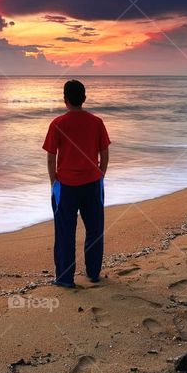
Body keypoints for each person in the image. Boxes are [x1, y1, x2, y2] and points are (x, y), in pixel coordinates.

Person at [42, 80, 110, 287]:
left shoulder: (58, 124)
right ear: (84, 99)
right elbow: (104, 154)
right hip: (92, 184)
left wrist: (54, 182)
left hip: (67, 185)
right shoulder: (96, 122)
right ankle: (93, 273)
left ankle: (64, 278)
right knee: (95, 229)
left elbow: (51, 158)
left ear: (65, 100)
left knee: (65, 232)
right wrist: (100, 175)